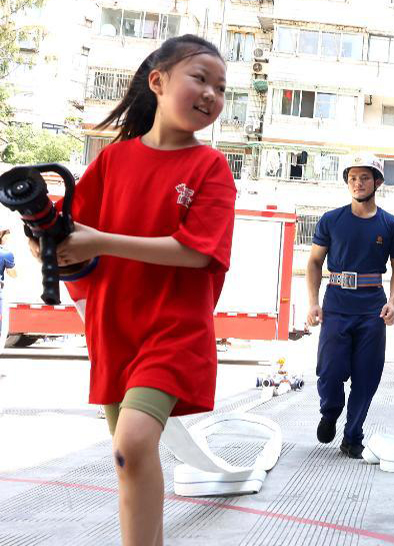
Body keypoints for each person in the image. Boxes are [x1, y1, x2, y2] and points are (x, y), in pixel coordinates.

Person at [47, 35, 235, 546]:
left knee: (131, 442)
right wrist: (49, 234)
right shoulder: (111, 161)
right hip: (114, 329)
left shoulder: (211, 167)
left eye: (221, 87)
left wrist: (99, 240)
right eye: (200, 78)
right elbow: (72, 236)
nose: (212, 95)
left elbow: (197, 251)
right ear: (158, 81)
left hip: (174, 329)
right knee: (128, 459)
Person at [307, 153, 394, 459]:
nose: (357, 183)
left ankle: (353, 436)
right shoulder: (331, 220)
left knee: (368, 374)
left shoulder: (391, 225)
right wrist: (313, 302)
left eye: (364, 178)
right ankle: (330, 410)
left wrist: (392, 302)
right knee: (330, 368)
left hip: (372, 309)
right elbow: (314, 261)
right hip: (336, 304)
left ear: (376, 182)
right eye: (352, 178)